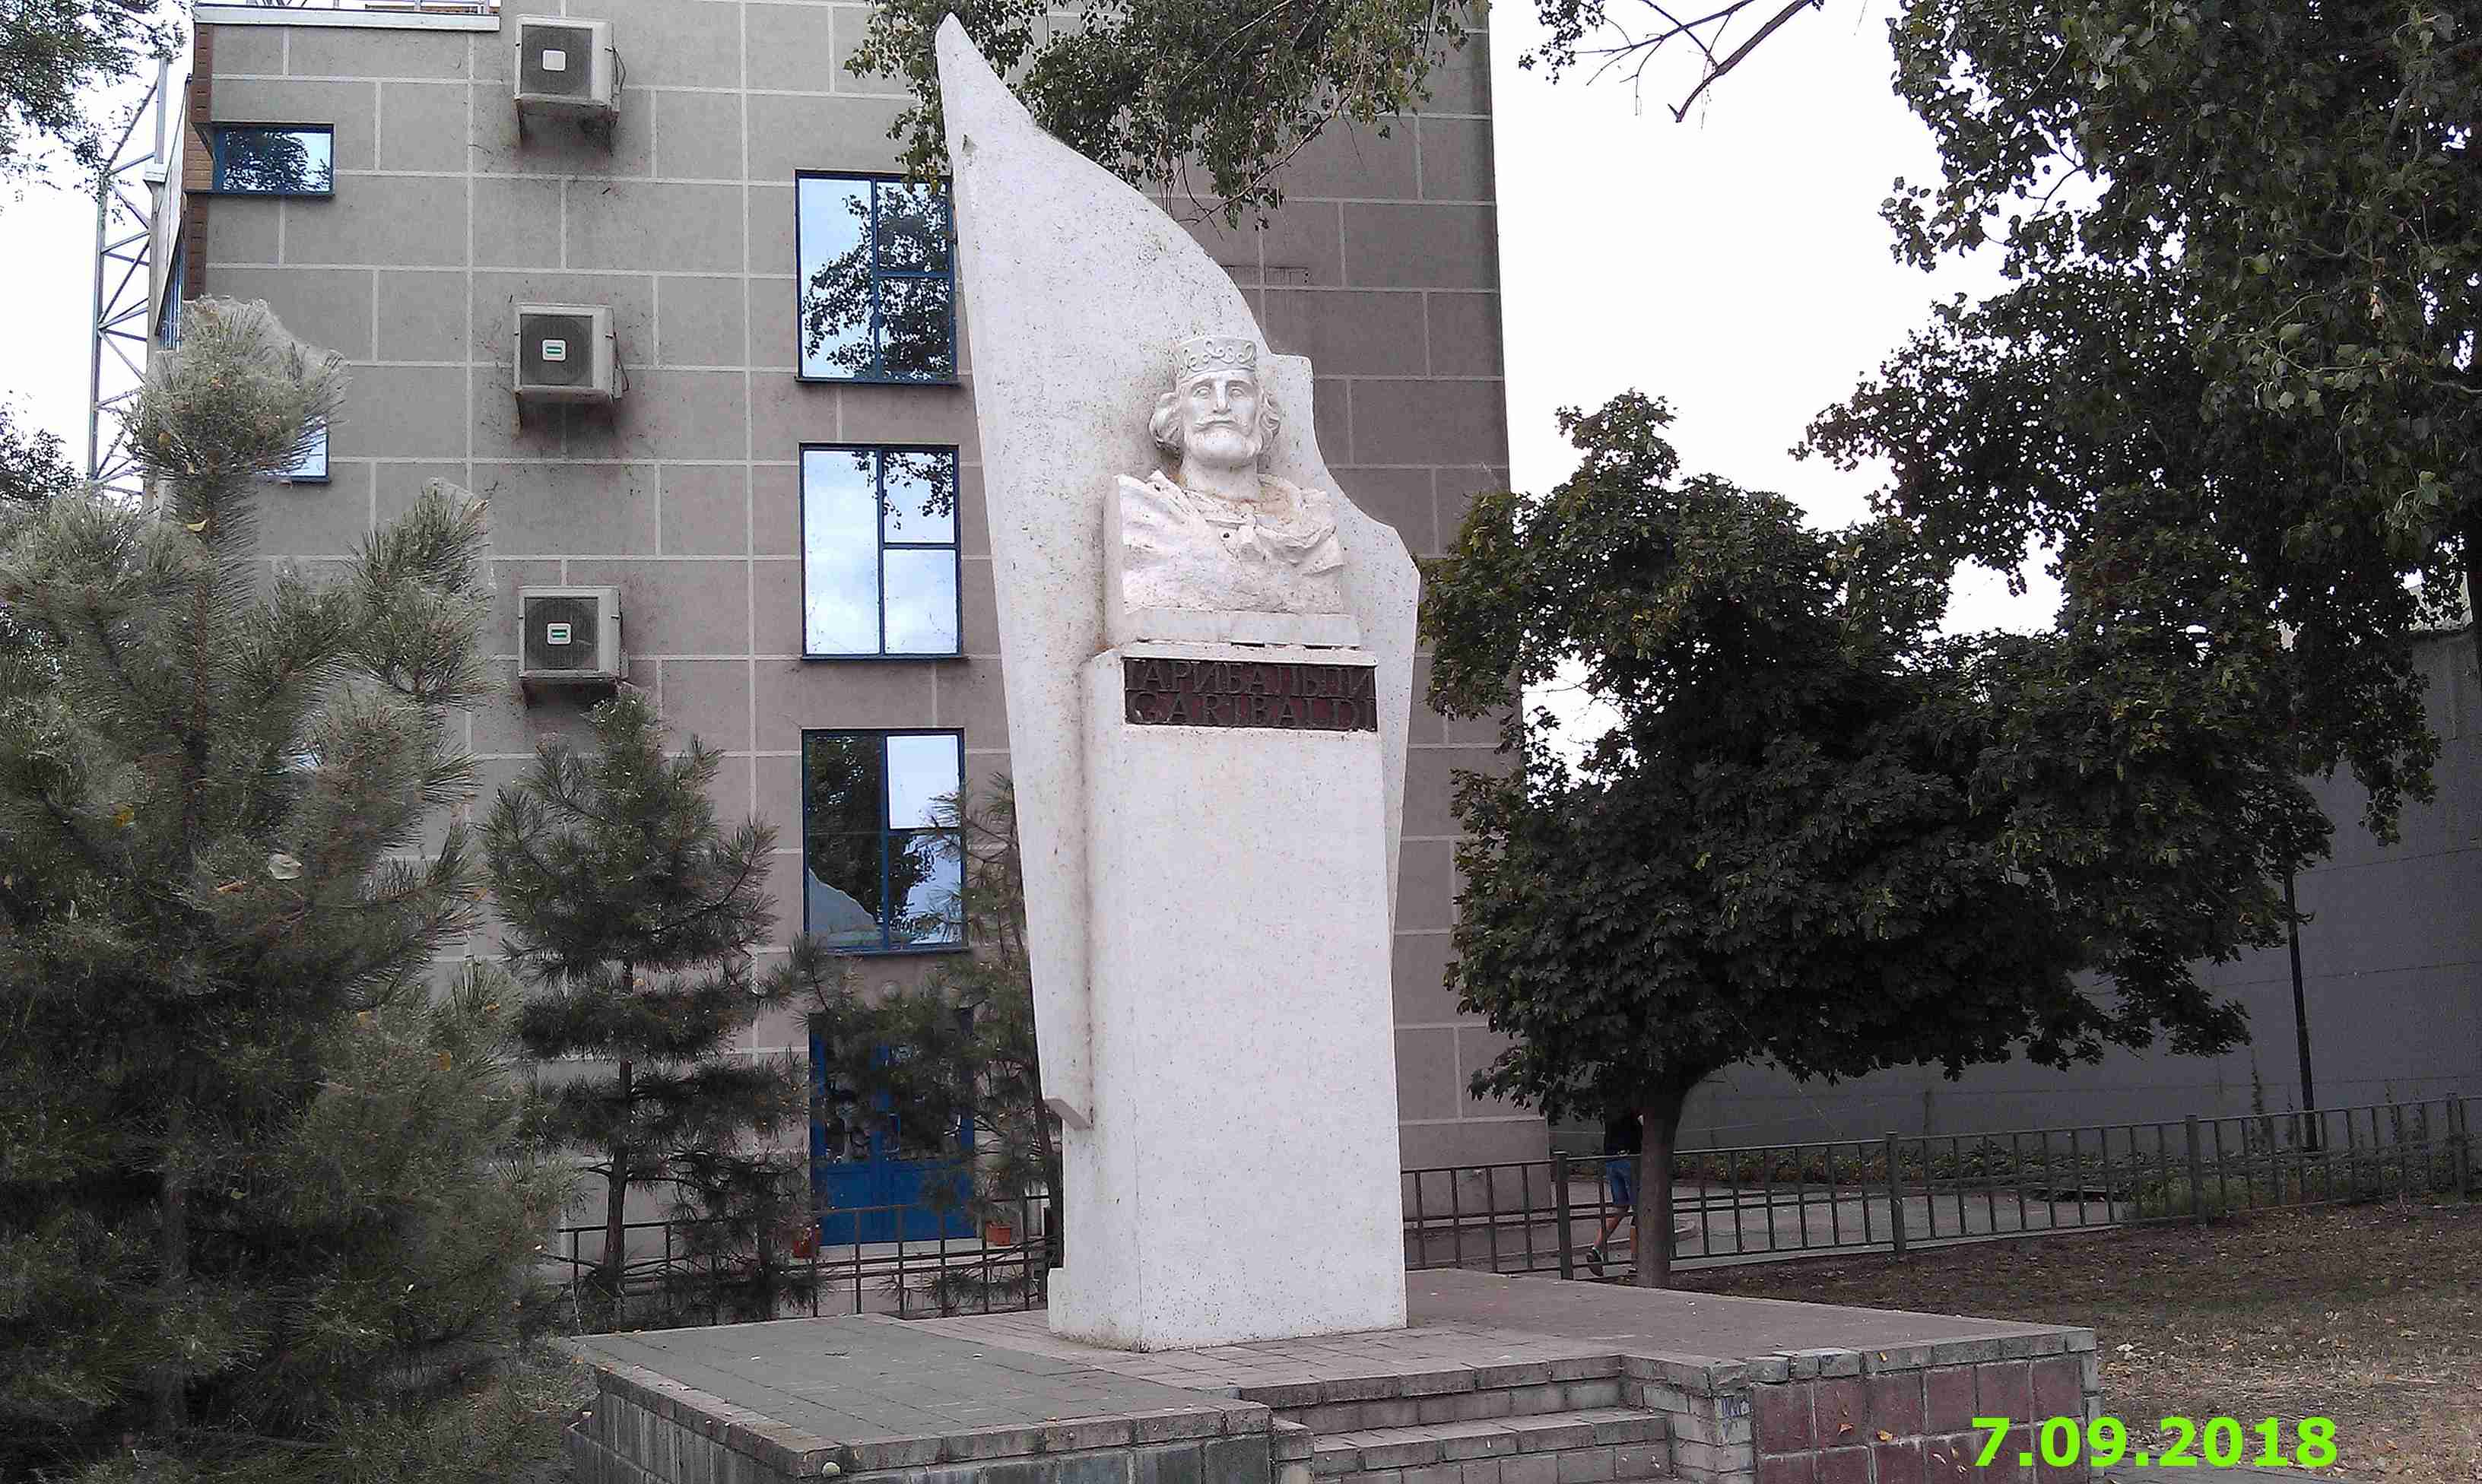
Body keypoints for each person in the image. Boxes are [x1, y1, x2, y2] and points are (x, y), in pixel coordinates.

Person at [1586, 1111, 1640, 1276]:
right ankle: (1636, 1263)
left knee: (1620, 1208)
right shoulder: (1634, 1099)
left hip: (1611, 1160)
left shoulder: (1611, 1100)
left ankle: (1596, 1248)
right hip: (1629, 1159)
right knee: (1641, 1211)